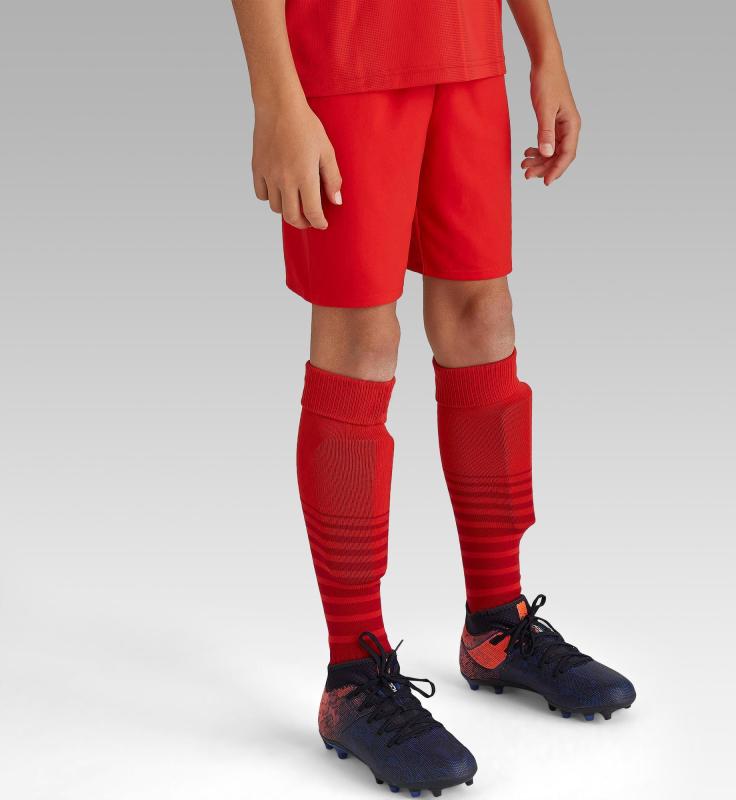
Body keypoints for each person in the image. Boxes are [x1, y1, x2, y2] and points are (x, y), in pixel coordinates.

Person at [231, 1, 635, 794]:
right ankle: (353, 675)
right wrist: (277, 99)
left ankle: (496, 626)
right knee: (360, 340)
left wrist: (544, 47)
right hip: (345, 60)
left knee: (483, 318)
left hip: (466, 49)